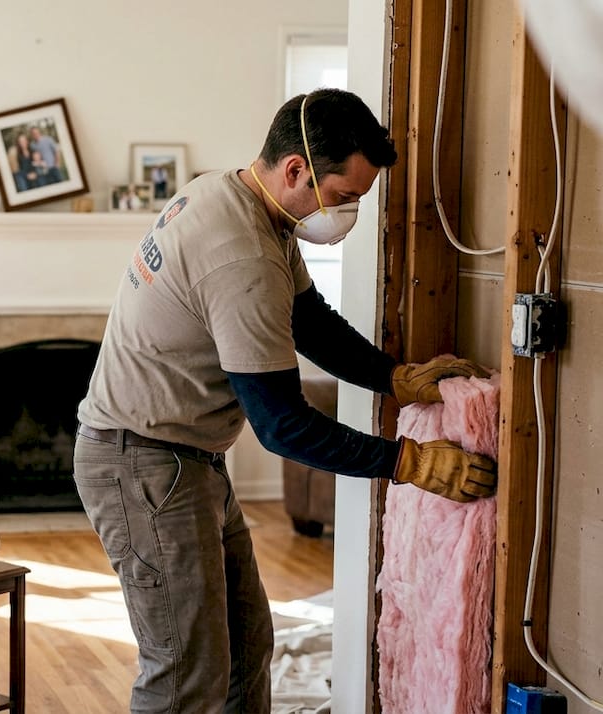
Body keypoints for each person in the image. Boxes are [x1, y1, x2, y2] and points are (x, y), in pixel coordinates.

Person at [74, 88, 497, 713]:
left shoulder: (234, 196)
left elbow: (310, 320)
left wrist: (395, 377)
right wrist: (412, 464)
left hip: (184, 461)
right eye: (345, 196)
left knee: (247, 650)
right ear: (296, 170)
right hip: (141, 467)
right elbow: (283, 427)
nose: (348, 212)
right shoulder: (239, 254)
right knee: (185, 676)